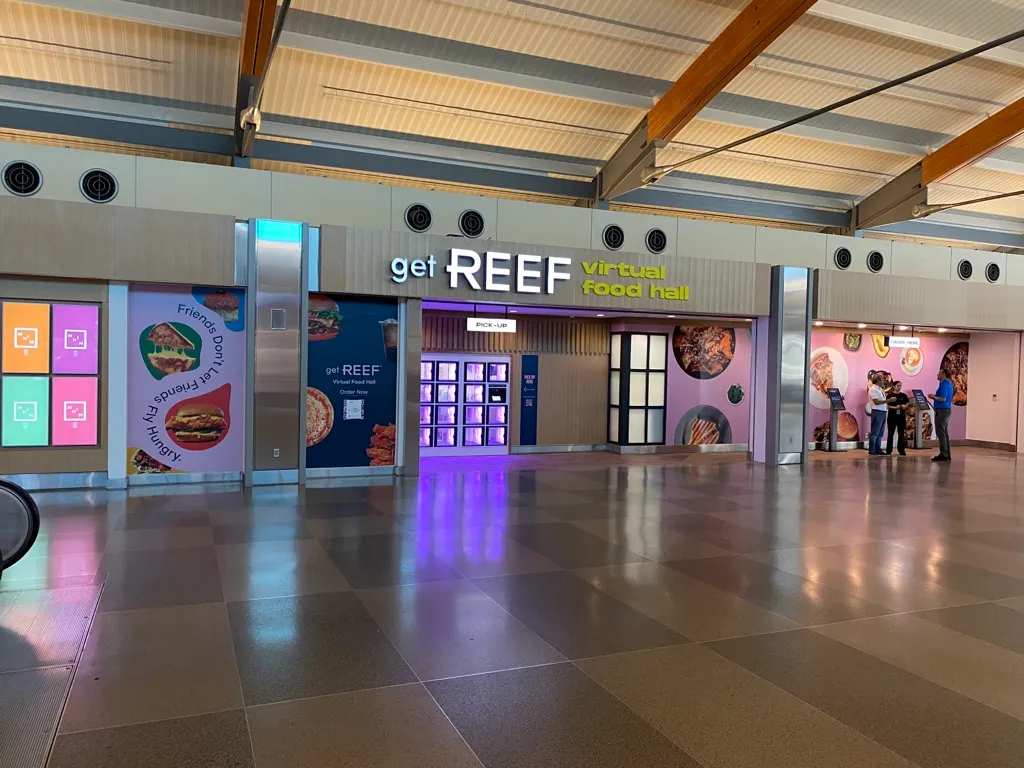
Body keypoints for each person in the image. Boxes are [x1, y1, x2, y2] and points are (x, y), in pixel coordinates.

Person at [928, 369, 954, 461]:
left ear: (943, 374)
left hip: (942, 410)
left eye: (939, 372)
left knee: (940, 432)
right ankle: (947, 454)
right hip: (946, 409)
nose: (937, 374)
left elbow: (943, 398)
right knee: (944, 432)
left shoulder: (944, 384)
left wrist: (933, 397)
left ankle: (943, 454)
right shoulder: (949, 384)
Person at [885, 380, 909, 456]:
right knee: (891, 433)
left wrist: (904, 406)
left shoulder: (903, 395)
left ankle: (901, 449)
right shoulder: (889, 395)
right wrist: (895, 407)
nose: (899, 387)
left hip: (901, 416)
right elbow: (887, 405)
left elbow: (907, 403)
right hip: (892, 416)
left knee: (901, 433)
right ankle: (889, 450)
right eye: (898, 385)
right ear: (894, 386)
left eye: (900, 385)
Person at [867, 373, 888, 456]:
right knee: (875, 432)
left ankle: (878, 449)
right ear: (878, 380)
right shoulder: (873, 389)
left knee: (880, 433)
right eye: (882, 379)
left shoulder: (880, 389)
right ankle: (872, 450)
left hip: (883, 411)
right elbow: (876, 402)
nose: (883, 381)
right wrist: (888, 401)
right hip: (877, 411)